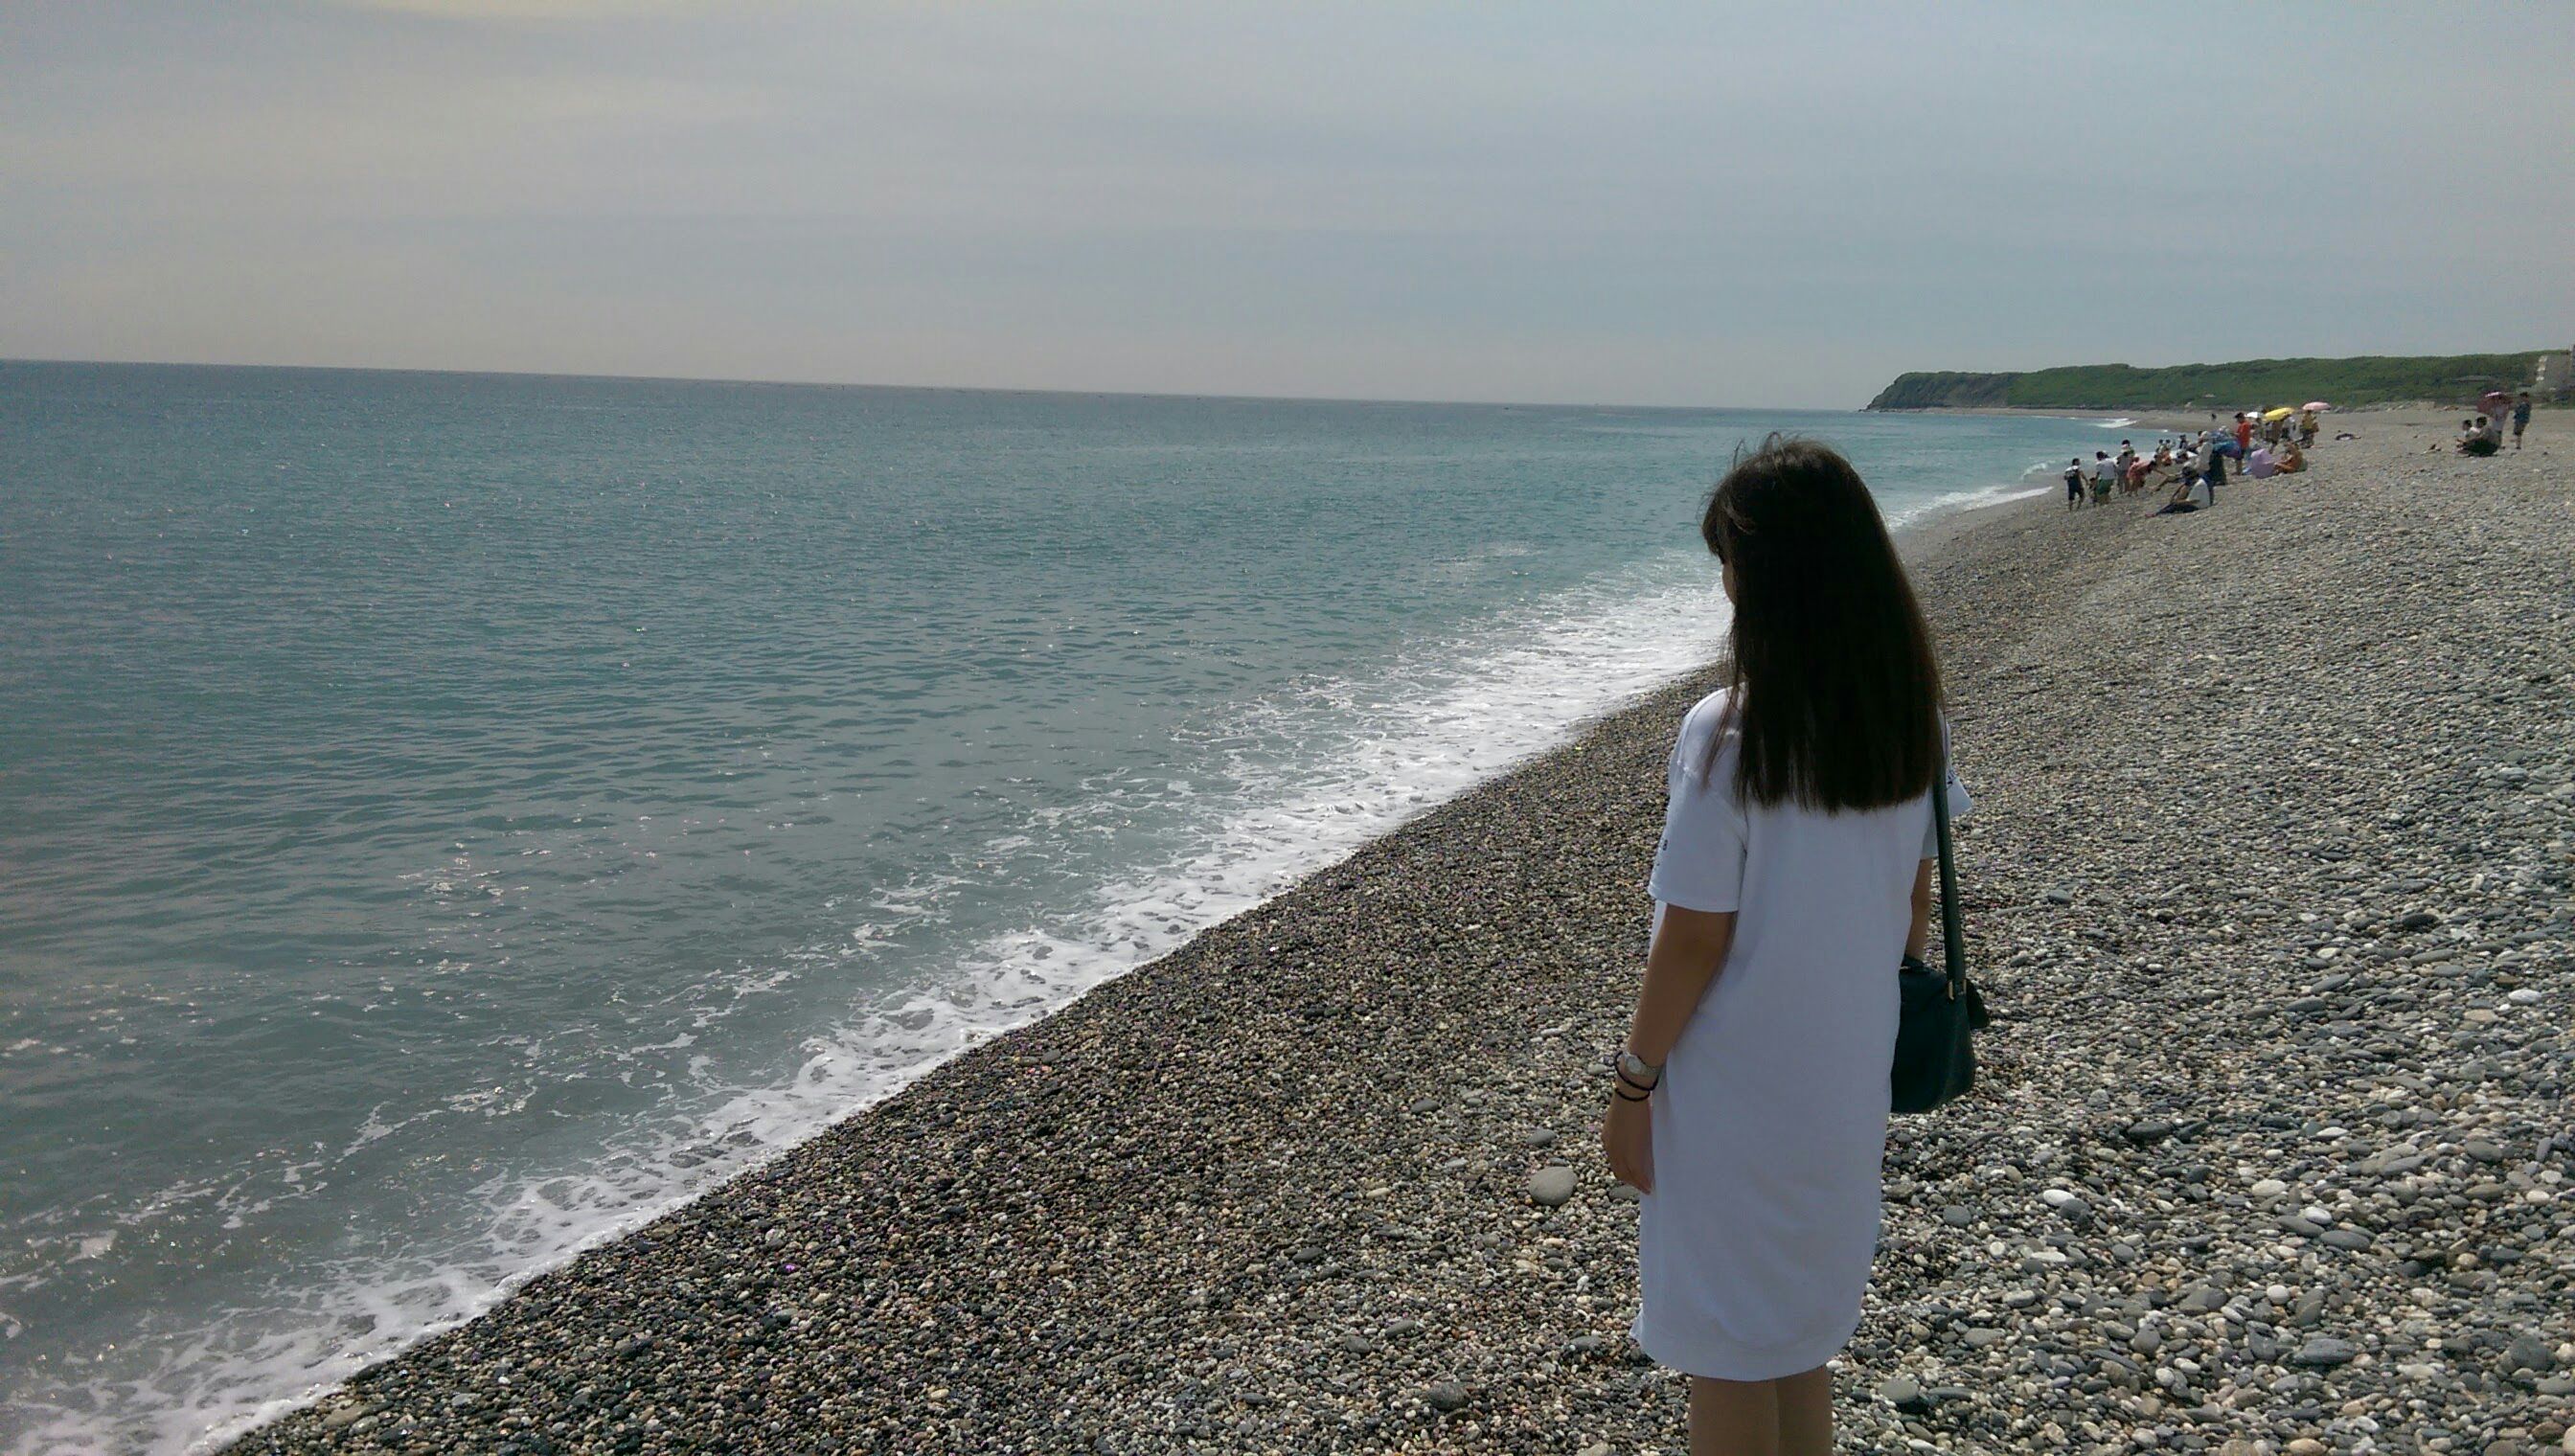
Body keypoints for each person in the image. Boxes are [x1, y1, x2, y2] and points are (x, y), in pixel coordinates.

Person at [1606, 435, 1965, 1456]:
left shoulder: (1730, 733)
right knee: (1799, 1334)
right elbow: (1911, 905)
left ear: (1770, 576)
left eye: (1731, 562)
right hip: (1846, 1074)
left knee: (1727, 1345)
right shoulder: (1912, 718)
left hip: (1736, 1089)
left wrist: (1632, 1085)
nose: (1725, 584)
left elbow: (1692, 940)